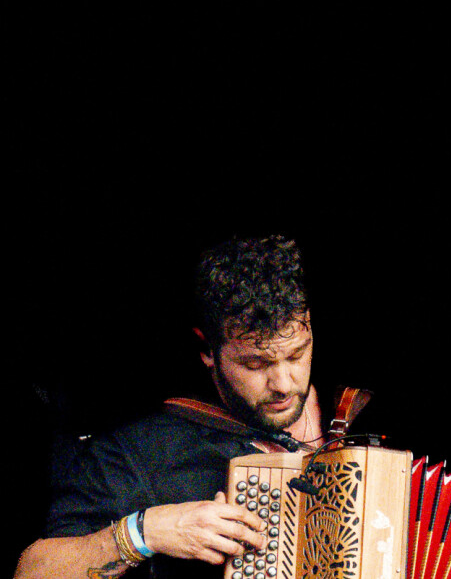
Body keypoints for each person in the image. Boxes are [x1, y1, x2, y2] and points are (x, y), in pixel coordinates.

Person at [15, 235, 329, 579]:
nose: (283, 383)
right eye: (256, 364)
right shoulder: (143, 452)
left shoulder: (351, 407)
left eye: (297, 354)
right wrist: (145, 533)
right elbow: (33, 573)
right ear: (207, 350)